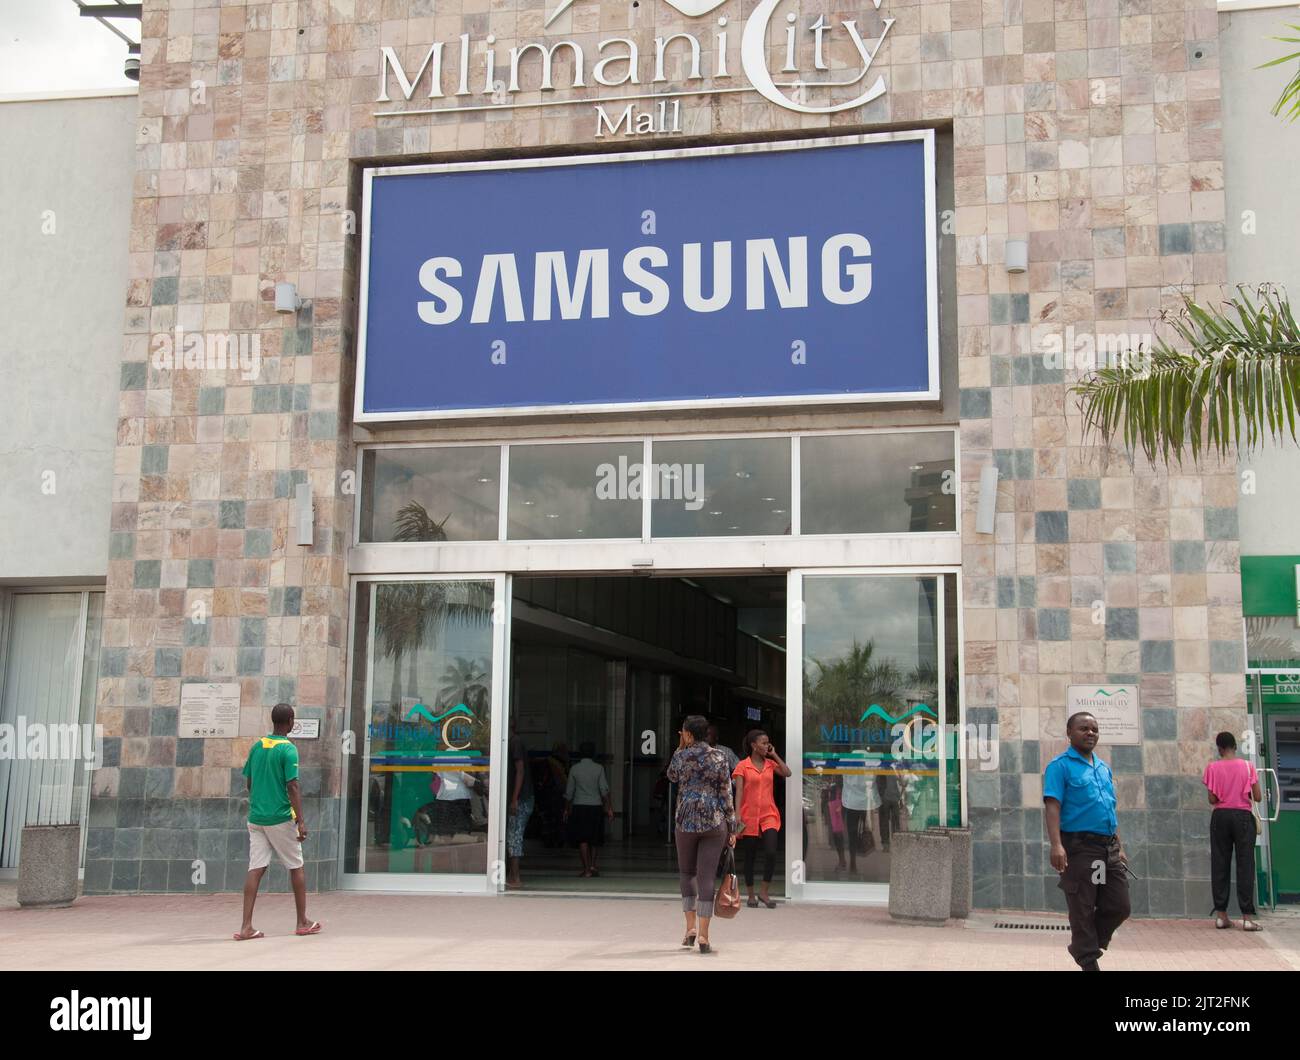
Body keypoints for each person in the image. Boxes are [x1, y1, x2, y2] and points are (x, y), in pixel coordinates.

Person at [1044, 711, 1130, 971]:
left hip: (1107, 849)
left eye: (1094, 728)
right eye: (1083, 728)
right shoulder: (1060, 766)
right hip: (1081, 848)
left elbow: (1110, 810)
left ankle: (1087, 944)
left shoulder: (1103, 768)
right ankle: (1087, 959)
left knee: (1118, 905)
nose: (1090, 732)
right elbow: (1052, 806)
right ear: (1069, 733)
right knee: (1082, 905)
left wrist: (1120, 846)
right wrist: (1056, 845)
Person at [234, 702, 320, 940]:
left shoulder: (257, 746)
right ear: (290, 722)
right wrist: (301, 821)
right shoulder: (288, 749)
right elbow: (292, 785)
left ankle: (246, 926)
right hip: (280, 817)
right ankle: (303, 922)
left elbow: (249, 783)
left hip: (256, 818)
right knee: (296, 865)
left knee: (256, 868)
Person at [667, 714, 737, 954]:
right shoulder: (720, 756)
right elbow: (726, 793)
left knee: (687, 873)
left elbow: (672, 776)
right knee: (706, 877)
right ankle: (705, 936)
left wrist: (680, 748)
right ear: (706, 733)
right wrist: (732, 826)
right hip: (714, 820)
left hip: (685, 820)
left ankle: (689, 930)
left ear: (687, 734)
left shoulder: (680, 755)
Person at [1203, 731, 1264, 931]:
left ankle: (1221, 915)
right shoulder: (1247, 767)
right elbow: (1257, 796)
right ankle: (1247, 918)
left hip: (1220, 817)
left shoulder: (1212, 767)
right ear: (1235, 746)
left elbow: (1212, 799)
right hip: (1243, 818)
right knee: (1245, 864)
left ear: (1219, 748)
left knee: (1220, 863)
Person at [732, 729, 791, 908]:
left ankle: (764, 891)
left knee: (771, 852)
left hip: (768, 814)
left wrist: (774, 754)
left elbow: (787, 773)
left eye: (768, 743)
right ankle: (750, 894)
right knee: (750, 855)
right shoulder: (743, 765)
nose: (767, 745)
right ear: (753, 746)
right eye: (763, 743)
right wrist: (737, 813)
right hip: (749, 814)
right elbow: (739, 791)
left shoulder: (770, 764)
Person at [564, 741, 614, 877]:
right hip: (596, 807)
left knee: (582, 839)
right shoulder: (599, 768)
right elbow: (604, 790)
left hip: (579, 807)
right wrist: (609, 808)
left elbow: (569, 792)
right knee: (595, 838)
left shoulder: (574, 769)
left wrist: (567, 809)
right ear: (593, 753)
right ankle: (593, 866)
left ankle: (586, 869)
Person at [505, 719, 532, 889]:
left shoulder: (515, 742)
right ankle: (510, 875)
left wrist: (514, 799)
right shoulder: (512, 742)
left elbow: (520, 771)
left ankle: (515, 877)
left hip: (521, 798)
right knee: (512, 836)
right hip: (520, 797)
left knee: (514, 837)